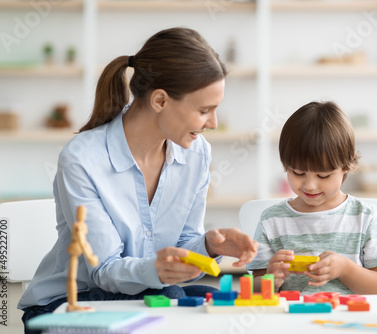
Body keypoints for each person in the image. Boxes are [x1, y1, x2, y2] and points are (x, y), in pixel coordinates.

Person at [19, 27, 258, 332]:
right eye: (204, 110)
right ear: (160, 100)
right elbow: (104, 271)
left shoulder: (196, 153)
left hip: (146, 292)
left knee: (225, 303)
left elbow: (183, 246)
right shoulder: (83, 158)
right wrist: (158, 272)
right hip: (67, 302)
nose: (213, 122)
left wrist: (209, 247)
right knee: (170, 298)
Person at [246, 101, 377, 295]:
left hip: (347, 319)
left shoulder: (366, 217)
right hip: (289, 320)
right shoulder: (271, 220)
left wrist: (346, 269)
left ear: (346, 166)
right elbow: (254, 288)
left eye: (323, 175)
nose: (310, 185)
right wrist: (270, 278)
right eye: (298, 173)